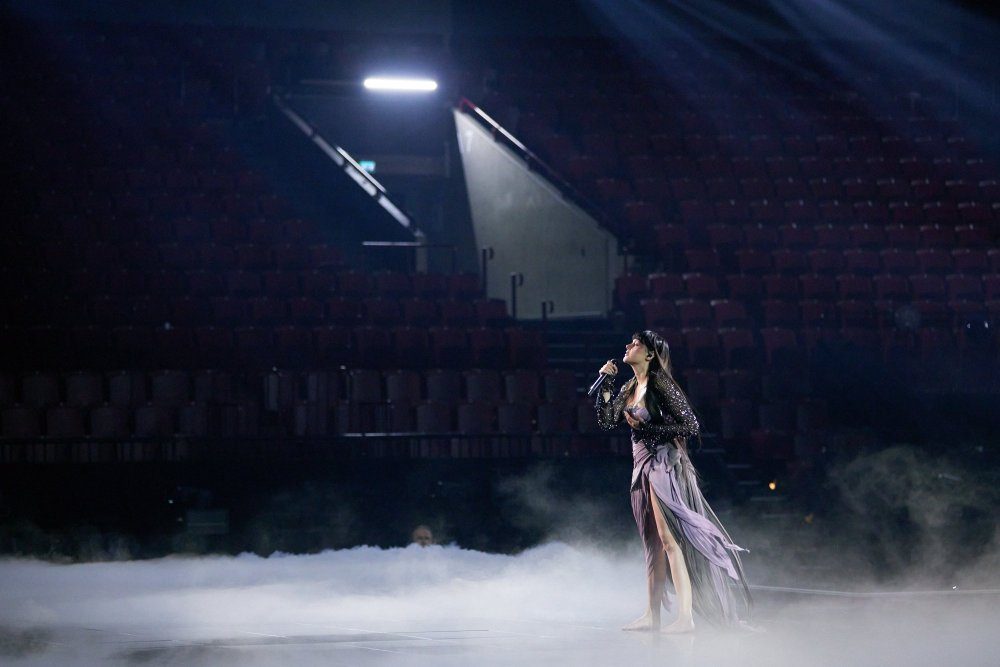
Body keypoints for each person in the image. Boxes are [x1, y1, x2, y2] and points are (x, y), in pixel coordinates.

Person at [595, 330, 752, 632]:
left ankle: (685, 618)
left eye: (636, 344)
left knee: (668, 540)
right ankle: (651, 615)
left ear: (650, 354)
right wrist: (607, 383)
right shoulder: (630, 386)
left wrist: (648, 428)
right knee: (651, 544)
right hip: (640, 465)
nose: (628, 346)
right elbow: (607, 420)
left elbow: (690, 426)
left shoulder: (660, 383)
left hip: (662, 464)